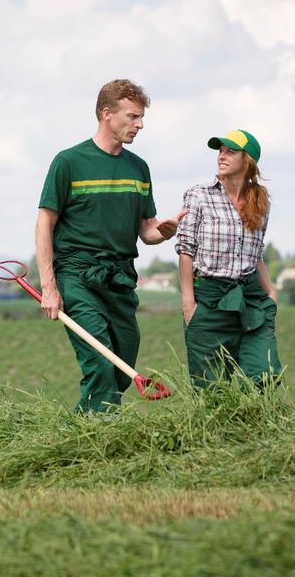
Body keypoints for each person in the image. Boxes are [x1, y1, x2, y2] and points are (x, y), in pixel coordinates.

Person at [36, 79, 185, 413]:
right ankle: (95, 441)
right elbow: (44, 224)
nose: (140, 125)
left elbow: (146, 230)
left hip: (120, 279)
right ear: (107, 114)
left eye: (141, 117)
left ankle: (80, 432)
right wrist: (49, 286)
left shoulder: (138, 168)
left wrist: (165, 231)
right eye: (132, 117)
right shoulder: (69, 162)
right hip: (77, 277)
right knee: (100, 363)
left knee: (121, 366)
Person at [175, 129, 282, 387]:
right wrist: (189, 302)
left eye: (230, 151)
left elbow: (255, 252)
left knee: (263, 376)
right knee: (211, 390)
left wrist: (271, 291)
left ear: (247, 161)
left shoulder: (260, 201)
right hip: (209, 300)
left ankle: (254, 425)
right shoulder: (199, 195)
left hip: (250, 299)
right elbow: (185, 250)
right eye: (220, 150)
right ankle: (222, 428)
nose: (221, 156)